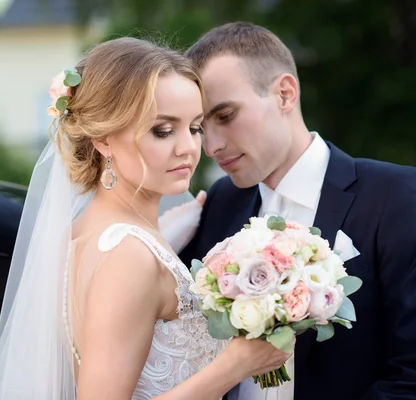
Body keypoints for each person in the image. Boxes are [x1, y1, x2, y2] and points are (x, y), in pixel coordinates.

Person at [0, 37, 291, 399]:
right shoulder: (130, 254)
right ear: (103, 140)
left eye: (194, 127)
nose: (189, 147)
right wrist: (233, 366)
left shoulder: (85, 235)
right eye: (162, 129)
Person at [177, 22, 416, 400]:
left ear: (285, 94)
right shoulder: (219, 204)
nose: (212, 146)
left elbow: (410, 377)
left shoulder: (399, 198)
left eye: (224, 116)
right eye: (199, 127)